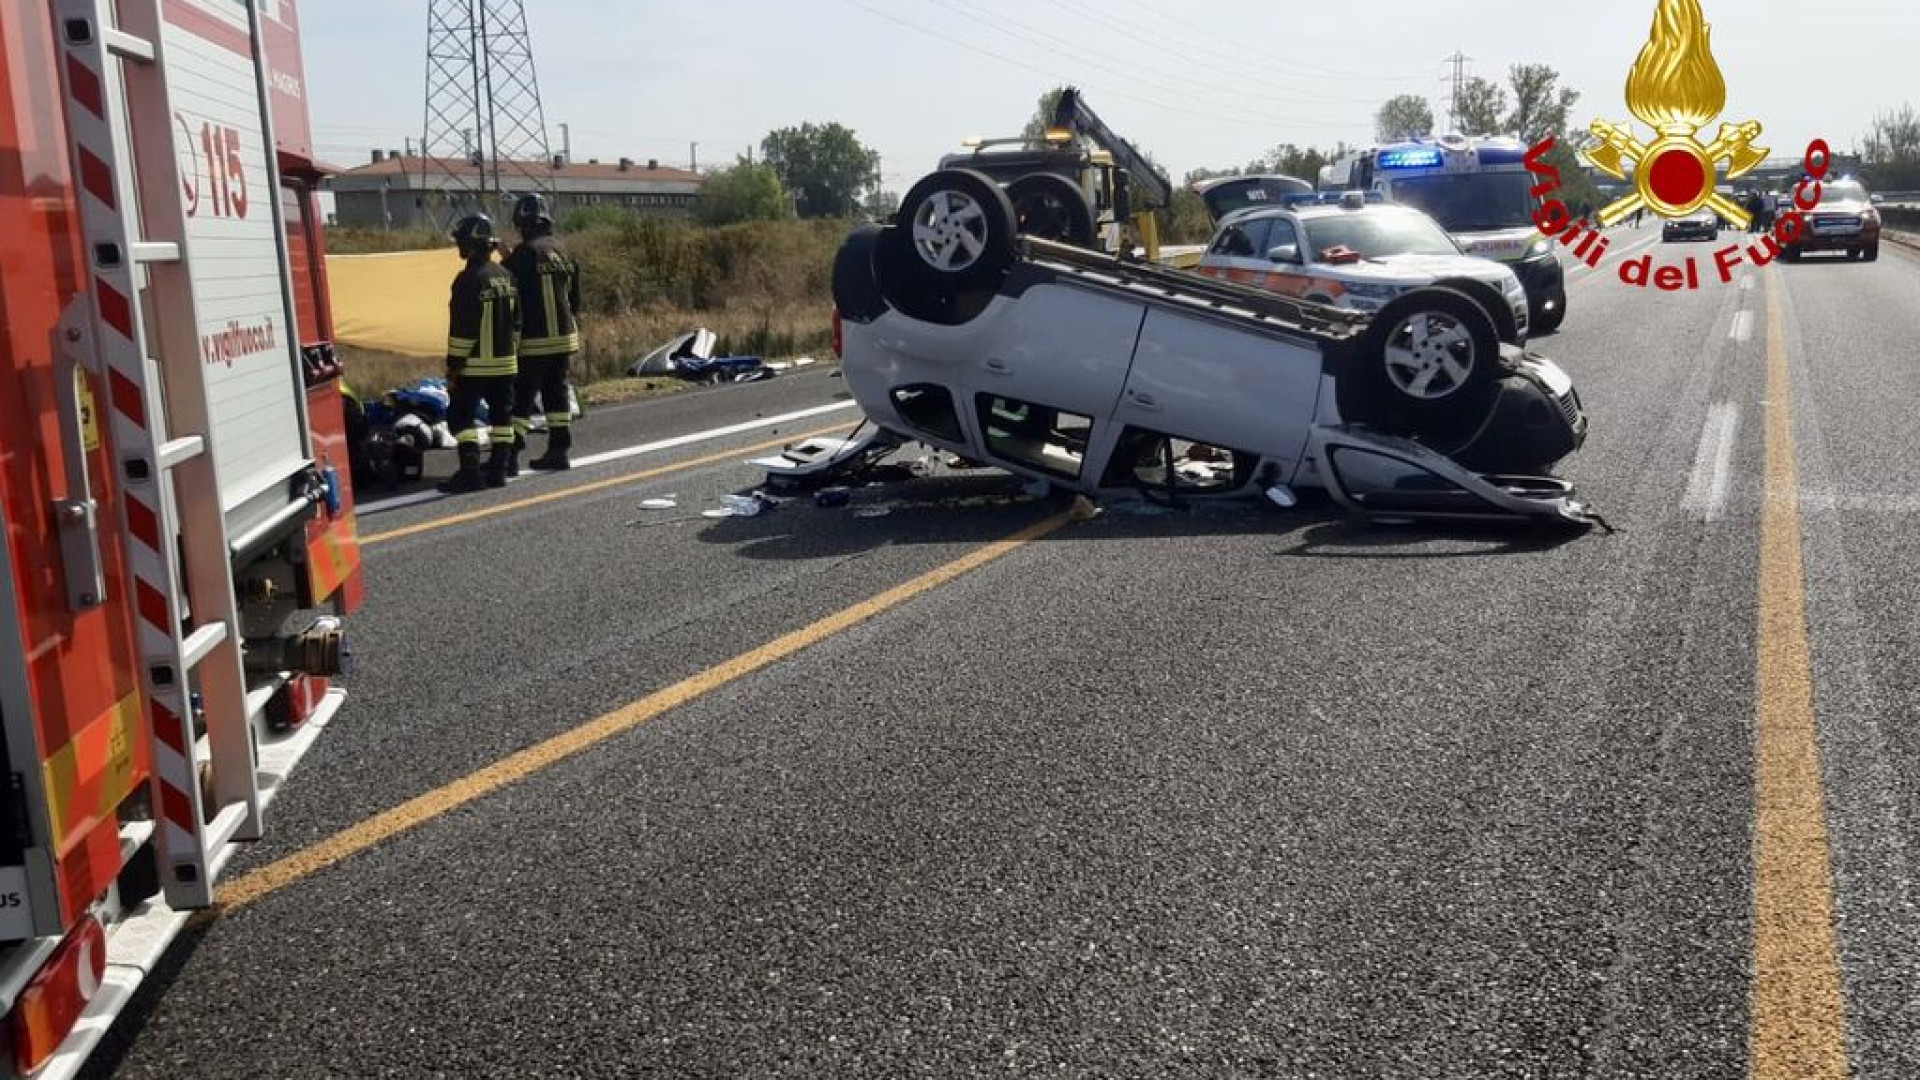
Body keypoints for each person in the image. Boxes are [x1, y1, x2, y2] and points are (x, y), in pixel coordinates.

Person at [440, 213, 519, 493]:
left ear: (471, 245)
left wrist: (453, 367)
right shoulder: (506, 276)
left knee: (461, 418)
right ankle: (498, 470)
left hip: (474, 367)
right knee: (502, 419)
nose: (459, 247)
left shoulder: (468, 280)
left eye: (461, 242)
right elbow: (517, 322)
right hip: (506, 365)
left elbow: (463, 330)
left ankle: (470, 472)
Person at [503, 192, 582, 472]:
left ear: (522, 223)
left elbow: (507, 285)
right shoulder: (561, 250)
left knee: (521, 398)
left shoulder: (523, 254)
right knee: (556, 393)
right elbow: (575, 296)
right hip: (564, 337)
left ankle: (509, 456)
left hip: (535, 340)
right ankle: (559, 449)